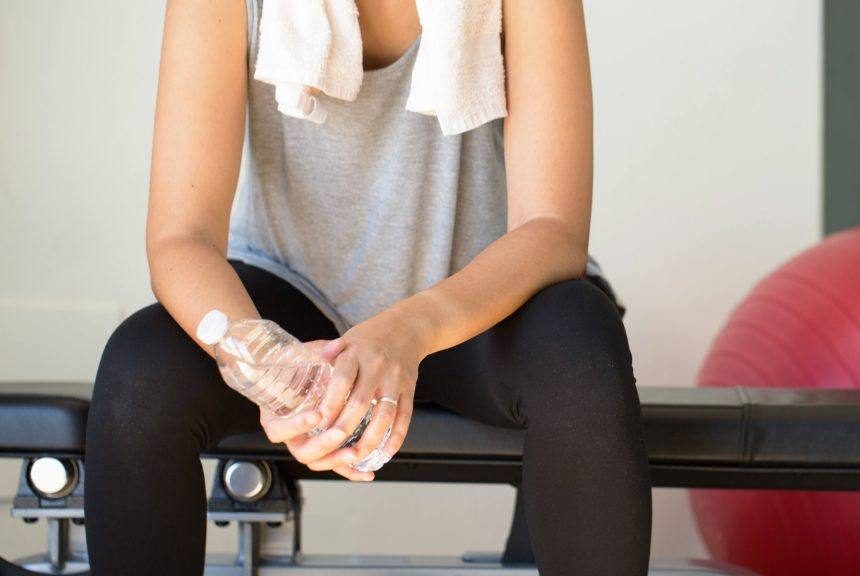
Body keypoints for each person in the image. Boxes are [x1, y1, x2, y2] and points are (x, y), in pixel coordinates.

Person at [83, 1, 652, 574]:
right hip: (294, 294)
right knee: (141, 372)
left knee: (578, 347)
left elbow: (552, 228)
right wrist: (265, 360)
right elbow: (182, 237)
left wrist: (406, 331)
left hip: (478, 300)